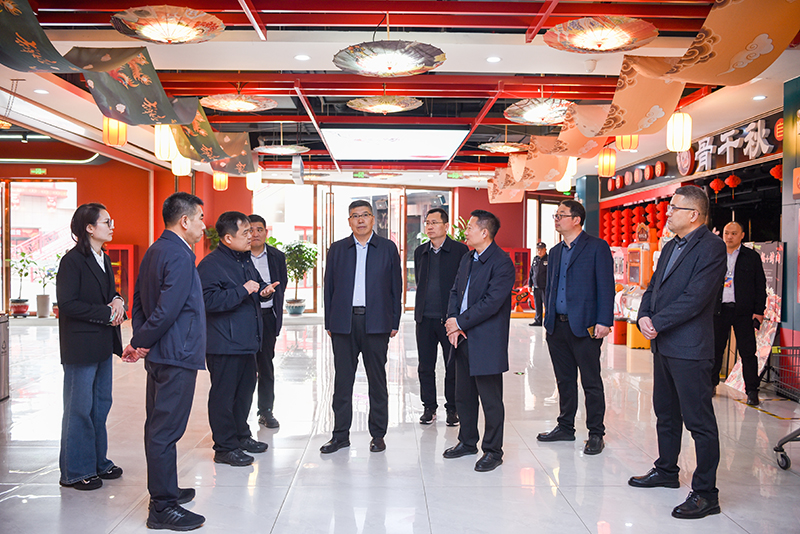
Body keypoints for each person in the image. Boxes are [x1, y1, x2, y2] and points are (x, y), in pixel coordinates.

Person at [631, 185, 726, 520]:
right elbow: (653, 287)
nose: (668, 213)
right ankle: (667, 470)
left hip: (689, 347)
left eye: (674, 208)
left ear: (694, 215)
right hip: (664, 344)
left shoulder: (712, 247)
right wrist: (644, 315)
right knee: (666, 413)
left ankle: (706, 493)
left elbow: (696, 298)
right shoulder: (671, 245)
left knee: (699, 421)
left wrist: (657, 322)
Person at [124, 192, 207, 531]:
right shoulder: (180, 254)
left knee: (158, 427)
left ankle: (167, 489)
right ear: (184, 221)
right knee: (164, 431)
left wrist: (142, 339)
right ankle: (162, 506)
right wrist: (139, 342)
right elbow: (168, 310)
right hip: (176, 354)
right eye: (200, 218)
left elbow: (138, 301)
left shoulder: (156, 249)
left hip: (162, 353)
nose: (203, 226)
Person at [321, 200, 402, 454]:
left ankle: (378, 435)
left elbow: (396, 287)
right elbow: (329, 287)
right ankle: (340, 436)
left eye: (365, 215)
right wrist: (330, 322)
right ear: (349, 221)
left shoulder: (387, 248)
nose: (360, 220)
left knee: (377, 381)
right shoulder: (337, 249)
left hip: (376, 322)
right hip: (344, 323)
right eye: (355, 216)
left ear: (373, 219)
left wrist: (394, 321)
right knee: (342, 382)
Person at [197, 212, 278, 467]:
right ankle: (224, 447)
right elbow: (208, 301)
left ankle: (241, 436)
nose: (251, 236)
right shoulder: (211, 265)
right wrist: (243, 290)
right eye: (245, 232)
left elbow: (255, 286)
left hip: (246, 341)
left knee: (244, 393)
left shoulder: (244, 259)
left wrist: (264, 292)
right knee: (224, 397)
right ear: (228, 238)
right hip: (224, 343)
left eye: (252, 231)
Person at [56, 203, 125, 491]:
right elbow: (68, 304)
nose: (111, 226)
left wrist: (118, 299)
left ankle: (98, 462)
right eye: (106, 222)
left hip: (101, 343)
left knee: (100, 406)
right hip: (81, 345)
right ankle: (75, 471)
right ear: (89, 227)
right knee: (79, 409)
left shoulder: (103, 258)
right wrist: (106, 312)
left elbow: (107, 294)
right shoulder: (71, 261)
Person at [537, 200, 614, 456]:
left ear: (577, 219)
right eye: (556, 215)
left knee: (591, 381)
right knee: (564, 380)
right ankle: (565, 426)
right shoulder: (555, 252)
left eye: (561, 215)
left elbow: (606, 286)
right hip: (557, 327)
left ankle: (596, 433)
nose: (557, 219)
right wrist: (547, 320)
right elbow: (550, 288)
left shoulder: (597, 247)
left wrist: (604, 321)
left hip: (585, 326)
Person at [443, 210, 515, 472]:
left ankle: (493, 451)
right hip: (461, 338)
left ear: (484, 232)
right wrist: (452, 321)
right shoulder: (467, 258)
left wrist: (460, 323)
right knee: (464, 395)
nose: (466, 231)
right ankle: (467, 441)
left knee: (490, 399)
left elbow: (491, 303)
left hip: (486, 340)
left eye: (470, 227)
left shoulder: (502, 263)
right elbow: (455, 292)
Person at [414, 207, 469, 426]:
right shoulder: (420, 252)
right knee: (425, 366)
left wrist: (460, 317)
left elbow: (464, 284)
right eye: (427, 223)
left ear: (446, 226)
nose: (429, 226)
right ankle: (429, 407)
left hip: (450, 320)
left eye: (434, 222)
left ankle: (452, 408)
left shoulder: (460, 251)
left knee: (452, 366)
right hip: (425, 318)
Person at [712, 221, 766, 405]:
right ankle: (711, 384)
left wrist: (759, 311)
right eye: (726, 233)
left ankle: (752, 391)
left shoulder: (751, 257)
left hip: (743, 311)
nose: (729, 237)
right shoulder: (715, 255)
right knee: (715, 349)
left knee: (748, 352)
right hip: (719, 310)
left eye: (734, 233)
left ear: (742, 235)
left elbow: (760, 285)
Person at [249, 214, 288, 428]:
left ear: (266, 232)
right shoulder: (239, 256)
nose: (255, 234)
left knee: (266, 366)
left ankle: (266, 411)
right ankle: (240, 414)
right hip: (244, 318)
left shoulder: (277, 256)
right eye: (251, 229)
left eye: (259, 229)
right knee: (245, 368)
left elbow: (282, 283)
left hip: (267, 318)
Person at [528, 242, 548, 326]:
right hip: (536, 287)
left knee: (547, 305)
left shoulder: (548, 259)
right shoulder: (535, 259)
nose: (539, 251)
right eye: (538, 250)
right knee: (537, 304)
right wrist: (530, 284)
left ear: (545, 250)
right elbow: (531, 272)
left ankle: (548, 321)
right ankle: (538, 320)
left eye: (541, 249)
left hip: (545, 287)